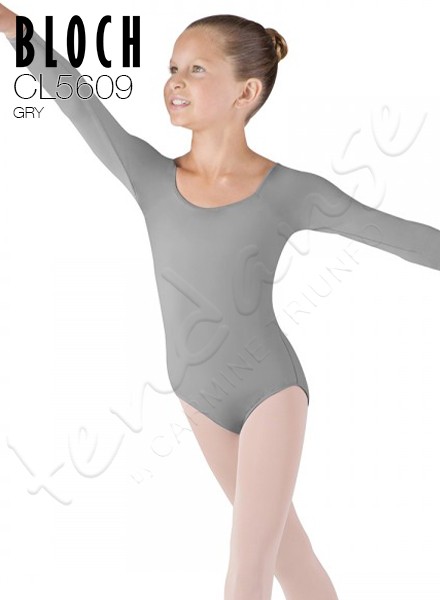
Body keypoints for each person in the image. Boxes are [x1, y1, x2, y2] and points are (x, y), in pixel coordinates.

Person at [2, 7, 440, 600]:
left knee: (247, 565)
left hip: (268, 390)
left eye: (197, 69)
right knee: (292, 560)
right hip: (197, 394)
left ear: (246, 92)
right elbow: (77, 101)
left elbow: (401, 236)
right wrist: (15, 28)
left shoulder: (290, 190)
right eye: (172, 68)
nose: (175, 81)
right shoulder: (149, 178)